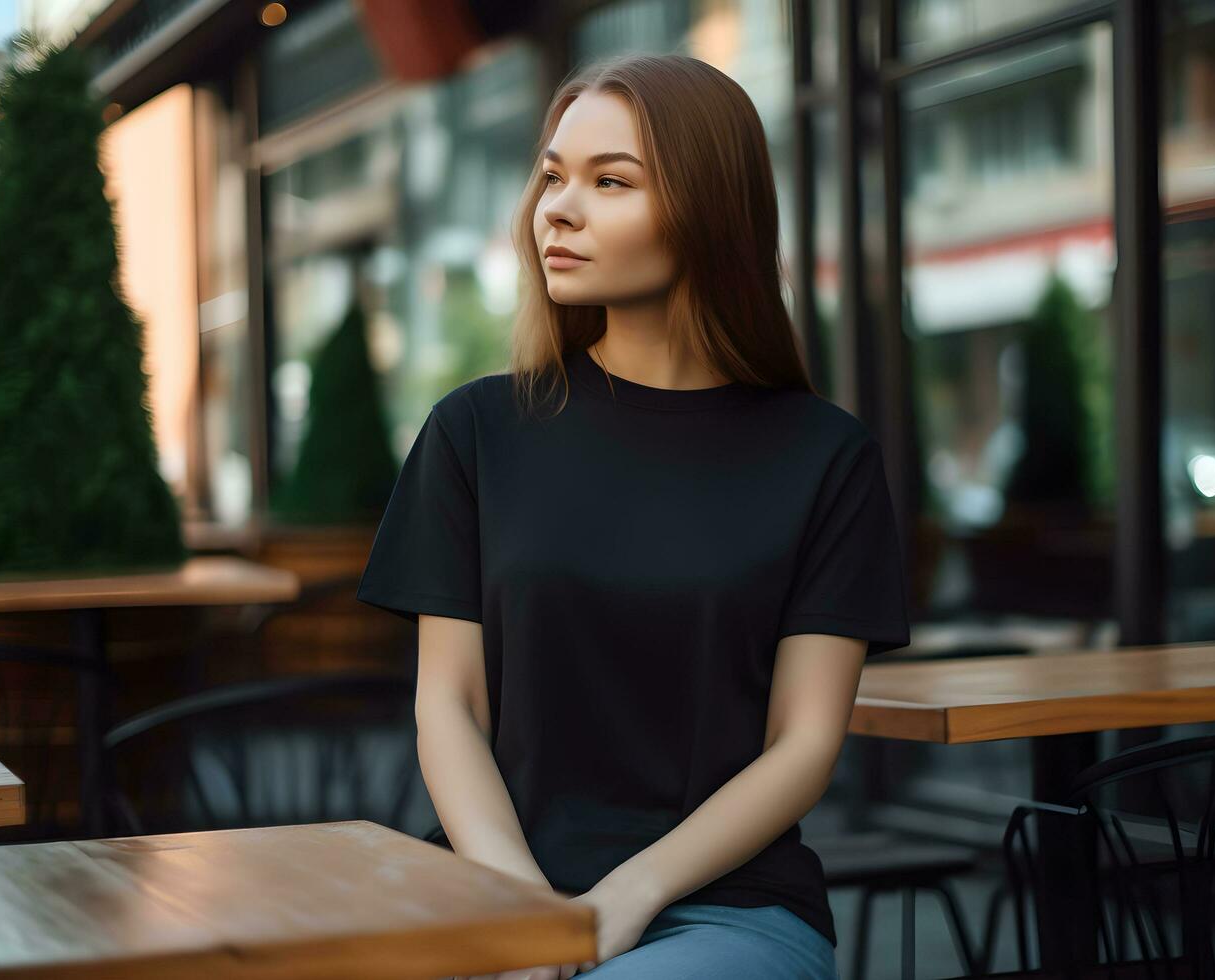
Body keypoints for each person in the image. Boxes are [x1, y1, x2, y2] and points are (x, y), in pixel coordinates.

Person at [356, 53, 912, 980]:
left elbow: (805, 745)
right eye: (551, 177)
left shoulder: (826, 457)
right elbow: (448, 707)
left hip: (724, 908)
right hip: (490, 887)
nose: (557, 210)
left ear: (709, 210)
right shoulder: (476, 431)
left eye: (610, 182)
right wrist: (522, 905)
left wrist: (628, 895)